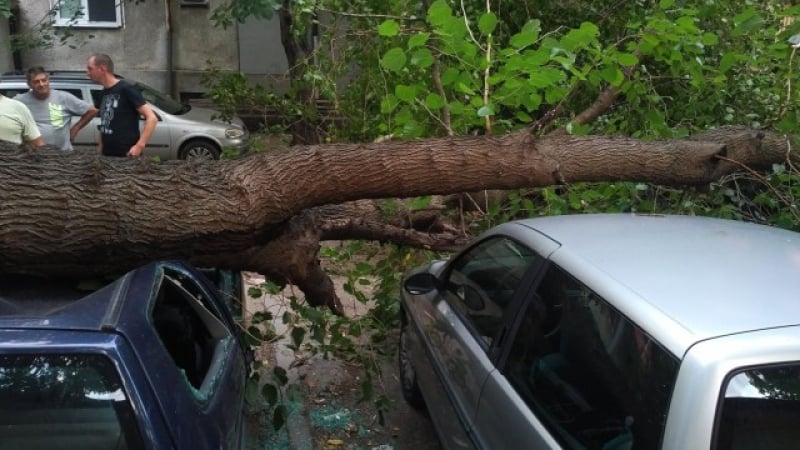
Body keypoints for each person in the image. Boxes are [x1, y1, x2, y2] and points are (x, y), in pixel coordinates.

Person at [86, 53, 157, 157]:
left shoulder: (126, 89)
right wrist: (100, 148)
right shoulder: (103, 93)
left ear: (102, 69)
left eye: (90, 68)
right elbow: (105, 122)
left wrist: (139, 146)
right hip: (107, 155)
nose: (87, 73)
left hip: (127, 154)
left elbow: (152, 118)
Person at [14, 67, 98, 151]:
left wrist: (75, 128)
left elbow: (92, 111)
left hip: (62, 154)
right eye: (36, 82)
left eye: (44, 80)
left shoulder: (63, 97)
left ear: (48, 80)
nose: (41, 84)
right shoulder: (20, 100)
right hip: (34, 155)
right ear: (29, 84)